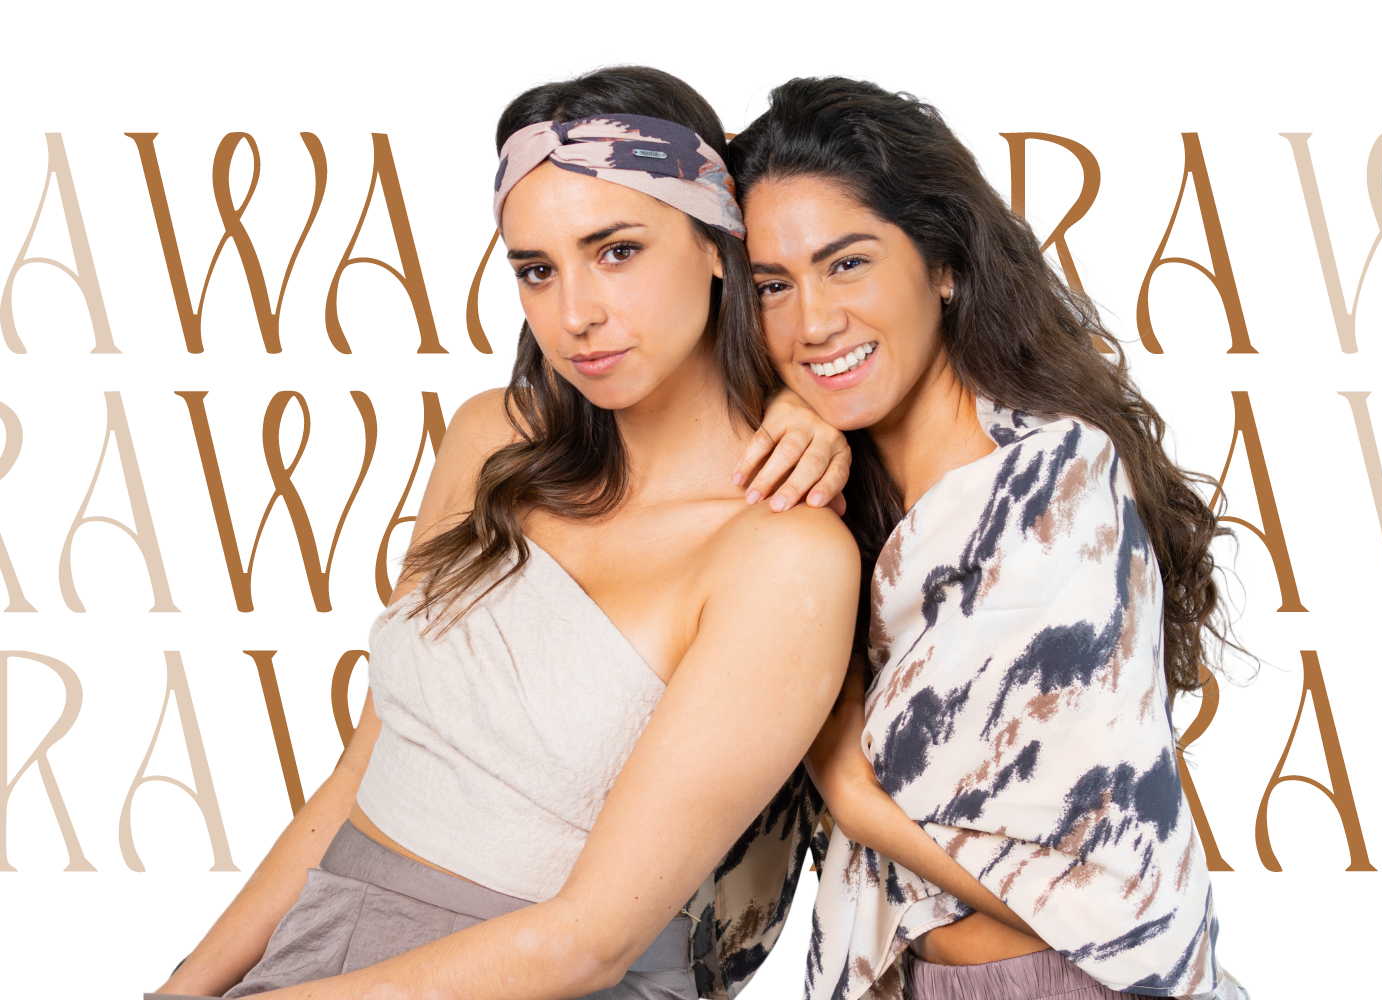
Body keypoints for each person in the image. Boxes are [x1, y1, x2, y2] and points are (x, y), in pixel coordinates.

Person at [149, 66, 861, 1000]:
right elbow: (365, 767)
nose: (576, 315)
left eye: (617, 251)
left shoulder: (783, 554)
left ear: (717, 244)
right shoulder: (492, 440)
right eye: (537, 270)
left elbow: (588, 943)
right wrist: (182, 989)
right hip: (323, 944)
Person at [725, 78, 1250, 1000]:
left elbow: (1105, 894)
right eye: (774, 285)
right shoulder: (833, 506)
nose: (811, 322)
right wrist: (779, 411)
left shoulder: (1051, 487)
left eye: (847, 264)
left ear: (944, 264)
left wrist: (853, 793)